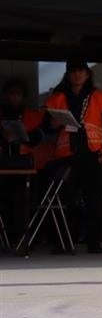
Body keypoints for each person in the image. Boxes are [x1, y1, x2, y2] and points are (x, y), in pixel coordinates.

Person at [44, 60, 102, 254]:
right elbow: (46, 128)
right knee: (66, 200)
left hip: (92, 155)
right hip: (66, 156)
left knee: (94, 200)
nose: (77, 75)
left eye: (81, 71)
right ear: (68, 74)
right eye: (73, 71)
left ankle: (93, 241)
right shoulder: (58, 98)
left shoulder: (100, 98)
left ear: (87, 74)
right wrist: (53, 124)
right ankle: (66, 242)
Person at [0, 78, 46, 244]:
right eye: (11, 93)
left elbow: (39, 137)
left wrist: (22, 136)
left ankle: (22, 239)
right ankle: (6, 239)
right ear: (6, 95)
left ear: (23, 96)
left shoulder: (31, 116)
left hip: (25, 167)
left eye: (18, 94)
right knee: (4, 202)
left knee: (23, 202)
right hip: (3, 165)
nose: (14, 97)